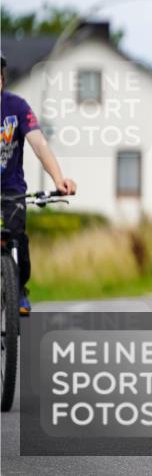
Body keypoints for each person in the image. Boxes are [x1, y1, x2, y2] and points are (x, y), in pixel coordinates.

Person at [0, 54, 77, 315]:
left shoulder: (17, 107)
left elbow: (39, 145)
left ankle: (19, 288)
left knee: (16, 237)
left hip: (11, 189)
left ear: (2, 77)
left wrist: (59, 179)